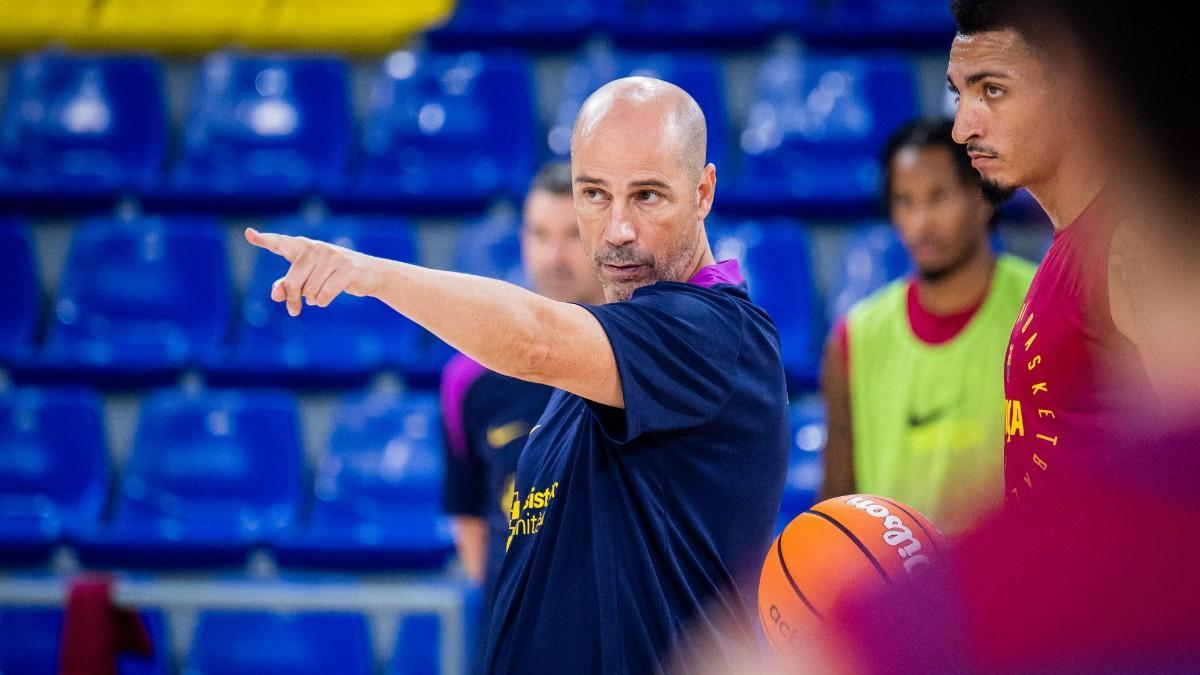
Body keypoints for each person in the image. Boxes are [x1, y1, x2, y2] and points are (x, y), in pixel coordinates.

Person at [245, 77, 790, 674]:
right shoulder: (600, 360)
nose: (617, 231)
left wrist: (367, 274)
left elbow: (535, 341)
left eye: (648, 196)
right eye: (595, 194)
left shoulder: (713, 332)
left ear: (703, 191)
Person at [945, 0, 1155, 507]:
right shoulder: (1070, 245)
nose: (961, 128)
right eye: (959, 93)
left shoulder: (1131, 242)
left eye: (992, 91)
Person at [819, 119, 1034, 535]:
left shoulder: (1040, 307)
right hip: (897, 593)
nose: (920, 222)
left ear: (982, 197)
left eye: (938, 197)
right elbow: (835, 508)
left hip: (1019, 587)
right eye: (905, 201)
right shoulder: (855, 338)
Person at [440, 161, 603, 613]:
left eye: (574, 235)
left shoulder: (640, 359)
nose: (555, 256)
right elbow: (471, 526)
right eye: (540, 234)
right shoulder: (469, 378)